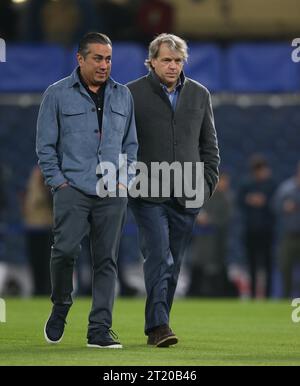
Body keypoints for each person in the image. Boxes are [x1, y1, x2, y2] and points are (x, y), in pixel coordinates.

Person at [36, 32, 138, 348]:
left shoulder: (124, 96)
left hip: (112, 192)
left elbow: (131, 145)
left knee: (106, 261)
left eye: (108, 58)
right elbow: (45, 146)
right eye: (97, 58)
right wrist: (59, 183)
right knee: (64, 252)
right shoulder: (56, 94)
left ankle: (99, 330)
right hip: (72, 189)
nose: (104, 65)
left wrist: (125, 181)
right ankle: (61, 305)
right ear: (80, 59)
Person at [127, 33, 220, 347]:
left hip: (187, 194)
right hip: (146, 193)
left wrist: (205, 188)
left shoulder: (200, 94)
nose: (172, 66)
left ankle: (159, 326)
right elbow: (121, 144)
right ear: (152, 61)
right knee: (158, 257)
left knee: (174, 263)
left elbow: (210, 148)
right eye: (166, 59)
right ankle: (158, 326)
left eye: (178, 60)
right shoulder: (131, 94)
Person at [238, 155, 277, 298]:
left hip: (267, 230)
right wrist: (249, 200)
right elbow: (239, 202)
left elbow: (276, 204)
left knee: (267, 264)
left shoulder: (271, 185)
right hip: (251, 230)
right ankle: (253, 295)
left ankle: (267, 295)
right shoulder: (246, 185)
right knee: (252, 264)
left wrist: (263, 202)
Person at [23, 165, 52, 295]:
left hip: (46, 225)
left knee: (46, 261)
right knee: (36, 261)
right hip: (33, 225)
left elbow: (48, 199)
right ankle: (38, 288)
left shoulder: (48, 172)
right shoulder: (36, 172)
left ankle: (46, 289)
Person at [273, 161, 300, 298]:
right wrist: (284, 207)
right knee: (286, 268)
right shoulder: (286, 189)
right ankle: (285, 299)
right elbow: (275, 207)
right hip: (289, 236)